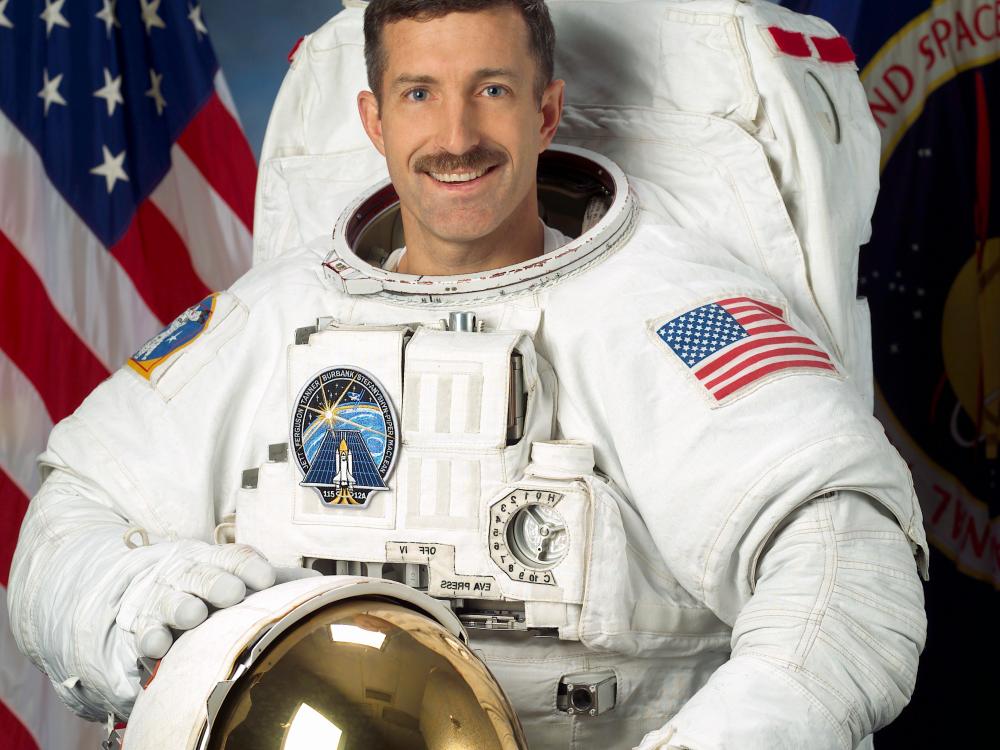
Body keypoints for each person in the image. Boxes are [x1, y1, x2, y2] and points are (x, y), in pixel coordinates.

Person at [8, 1, 928, 749]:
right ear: (373, 118)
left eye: (490, 90)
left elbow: (846, 555)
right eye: (418, 94)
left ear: (545, 110)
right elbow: (68, 517)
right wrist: (120, 600)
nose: (456, 135)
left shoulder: (675, 315)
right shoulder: (264, 320)